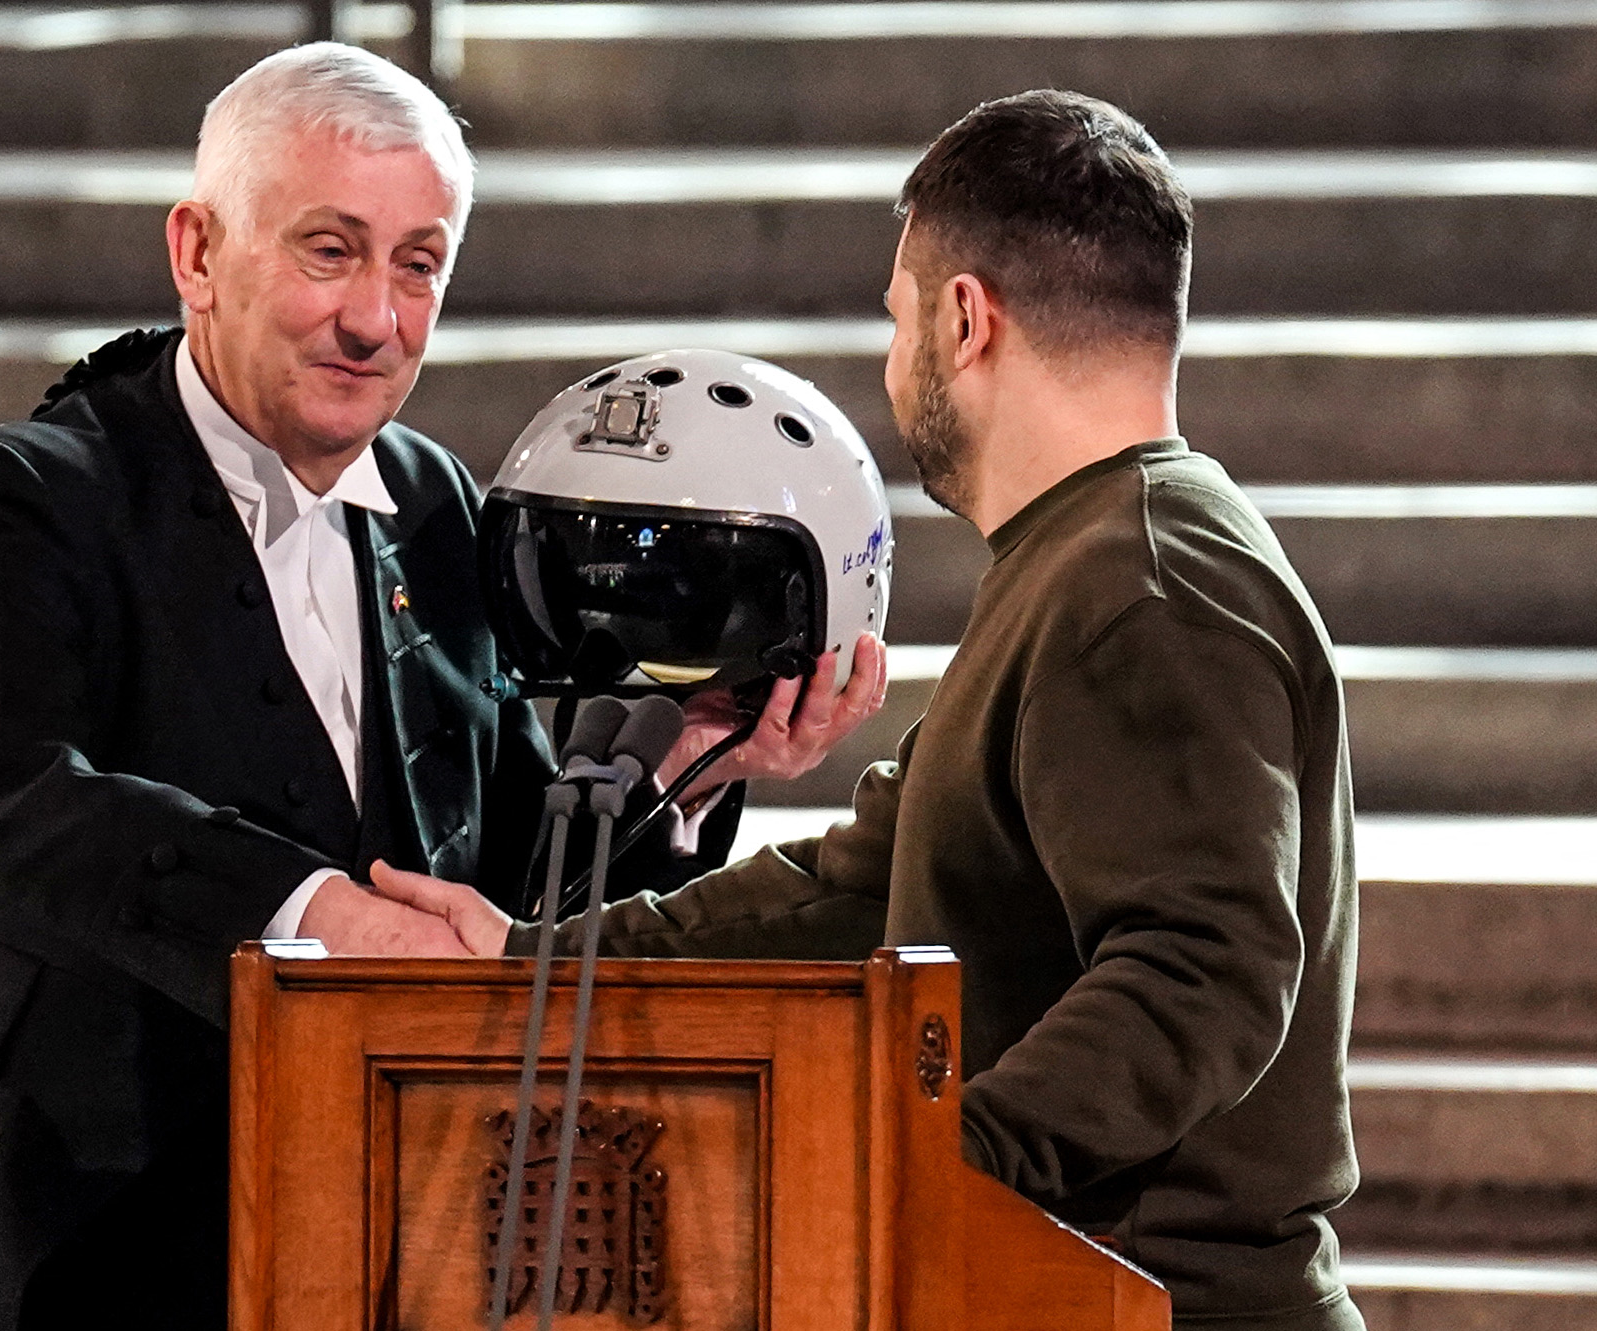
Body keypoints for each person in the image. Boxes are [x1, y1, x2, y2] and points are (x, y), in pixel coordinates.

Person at [0, 43, 882, 1331]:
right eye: (329, 250)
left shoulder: (436, 502)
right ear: (195, 251)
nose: (376, 318)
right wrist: (315, 912)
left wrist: (690, 765)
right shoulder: (16, 496)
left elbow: (505, 875)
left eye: (417, 263)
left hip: (371, 1227)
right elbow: (2, 795)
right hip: (57, 1237)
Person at [377, 90, 1365, 1330]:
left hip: (1156, 1300)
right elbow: (858, 882)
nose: (895, 363)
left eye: (897, 319)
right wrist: (535, 960)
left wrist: (928, 1159)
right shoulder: (1095, 554)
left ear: (964, 318)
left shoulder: (1142, 582)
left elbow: (1204, 968)